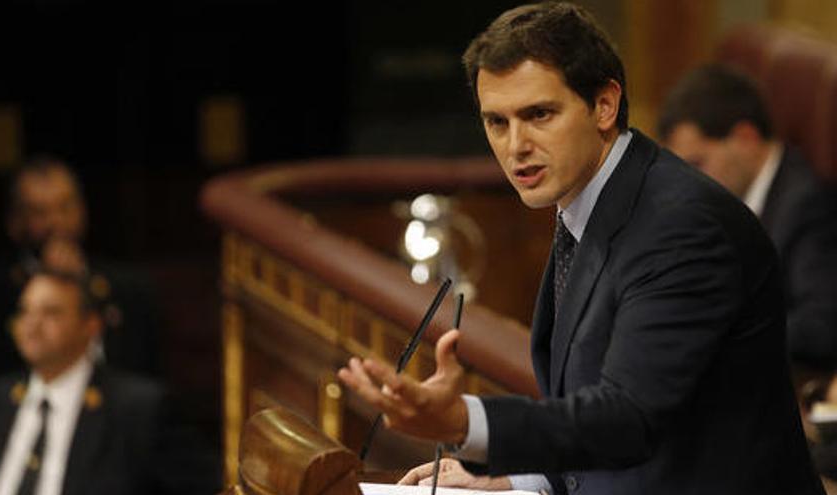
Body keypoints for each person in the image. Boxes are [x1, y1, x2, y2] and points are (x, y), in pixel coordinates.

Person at [338, 3, 824, 494]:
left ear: (604, 105)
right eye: (497, 122)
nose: (516, 146)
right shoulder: (591, 199)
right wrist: (520, 475)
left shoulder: (682, 227)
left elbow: (628, 417)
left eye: (539, 115)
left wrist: (466, 422)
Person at [658, 63, 837, 373]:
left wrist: (716, 338)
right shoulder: (727, 198)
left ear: (745, 138)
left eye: (697, 163)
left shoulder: (807, 206)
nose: (687, 182)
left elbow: (820, 326)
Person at [0, 269, 217, 495]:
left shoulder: (137, 409)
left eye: (51, 312)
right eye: (24, 311)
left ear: (91, 325)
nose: (32, 325)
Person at [0, 157, 160, 377]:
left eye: (65, 207)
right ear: (15, 222)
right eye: (40, 212)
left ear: (82, 210)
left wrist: (82, 284)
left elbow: (145, 376)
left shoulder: (129, 288)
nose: (56, 222)